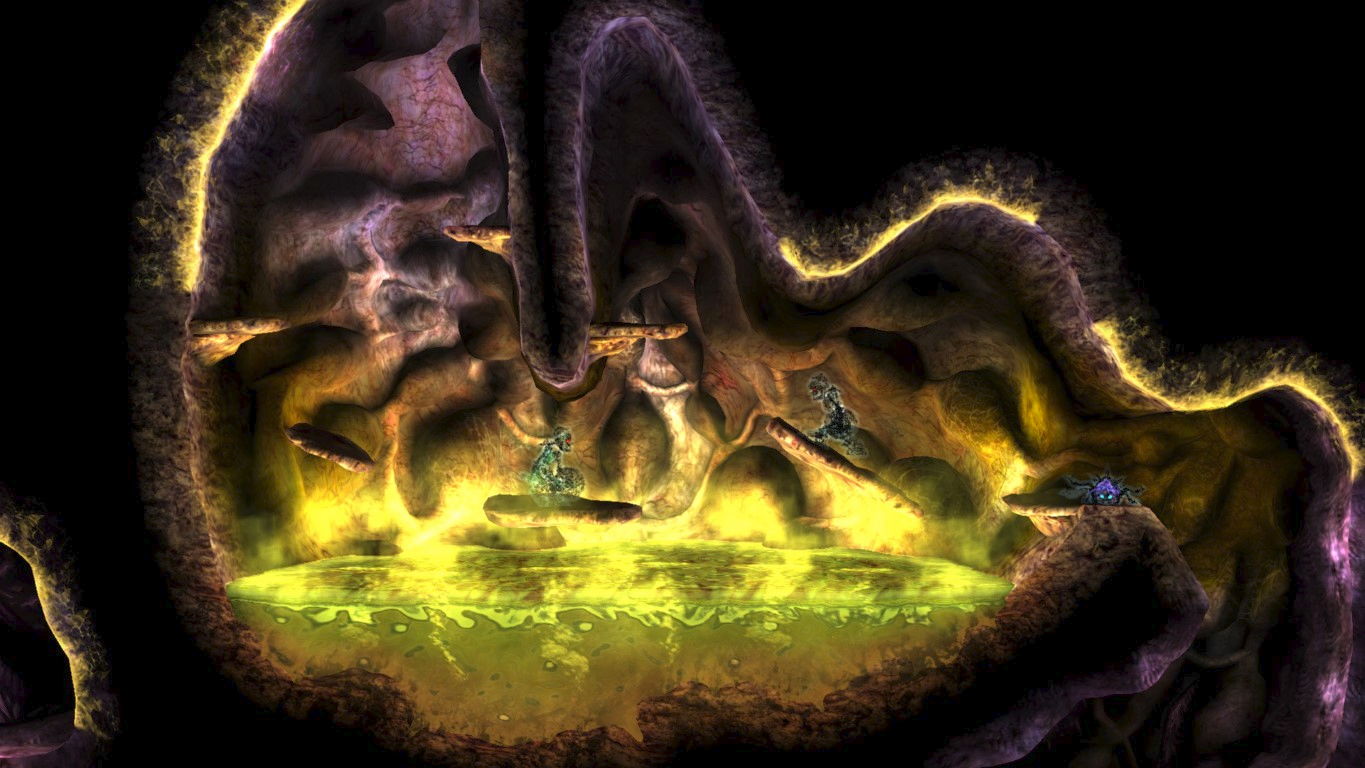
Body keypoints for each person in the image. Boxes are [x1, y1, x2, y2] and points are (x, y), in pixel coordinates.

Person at [806, 373, 866, 456]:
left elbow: (838, 407)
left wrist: (836, 417)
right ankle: (854, 447)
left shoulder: (830, 394)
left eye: (814, 389)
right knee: (827, 432)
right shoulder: (828, 394)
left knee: (825, 432)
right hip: (838, 418)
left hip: (840, 419)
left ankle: (819, 447)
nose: (813, 392)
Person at [527, 426, 586, 497]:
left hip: (544, 480)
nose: (568, 443)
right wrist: (555, 481)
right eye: (567, 441)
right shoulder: (554, 451)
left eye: (568, 441)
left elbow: (552, 468)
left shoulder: (554, 450)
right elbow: (543, 468)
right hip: (543, 481)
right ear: (561, 439)